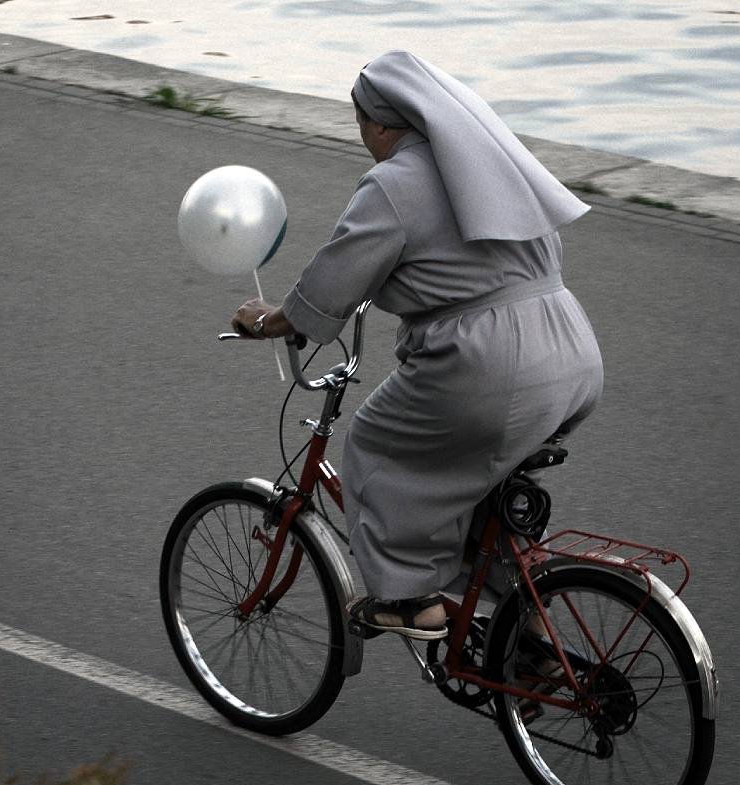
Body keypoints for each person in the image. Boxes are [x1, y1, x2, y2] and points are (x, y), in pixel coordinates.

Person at [230, 50, 603, 640]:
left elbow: (334, 279)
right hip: (570, 351)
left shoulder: (395, 182)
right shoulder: (490, 166)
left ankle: (409, 599)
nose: (364, 140)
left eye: (361, 127)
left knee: (376, 446)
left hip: (492, 364)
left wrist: (272, 319)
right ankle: (527, 634)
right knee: (486, 486)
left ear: (380, 123)